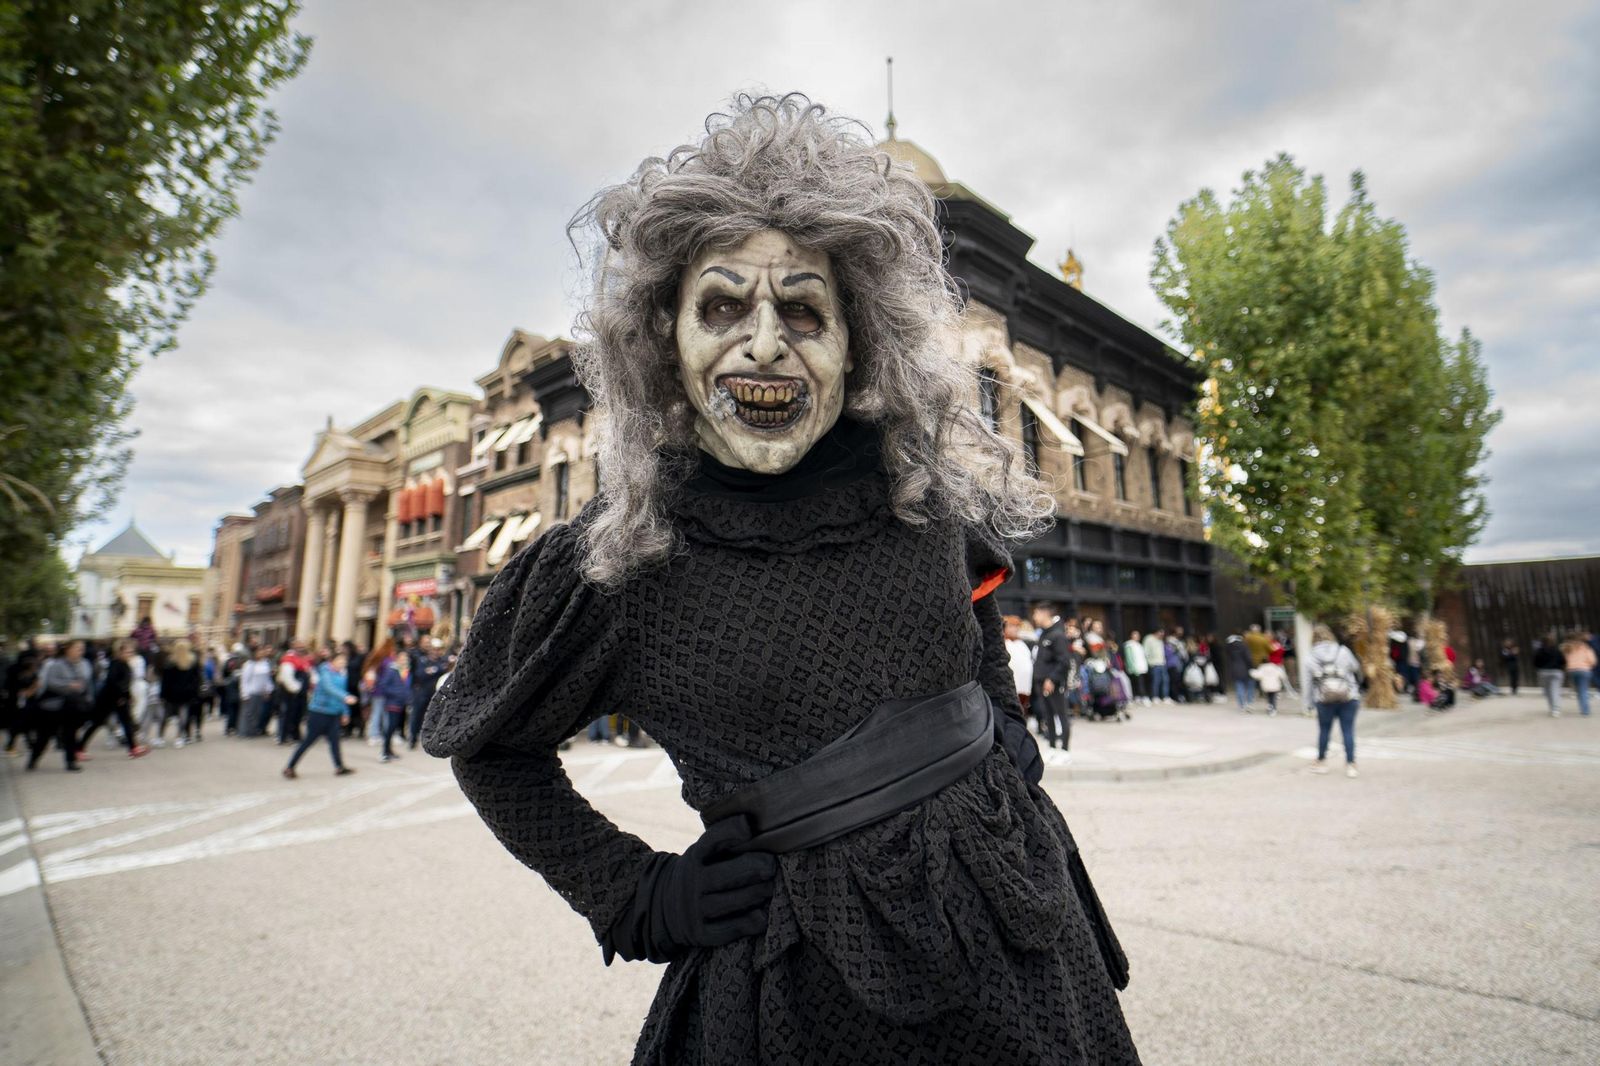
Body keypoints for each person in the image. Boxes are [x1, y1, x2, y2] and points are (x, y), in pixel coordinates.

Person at [421, 94, 1137, 1065]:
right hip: (799, 1001)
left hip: (1032, 955)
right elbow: (491, 751)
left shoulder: (918, 494)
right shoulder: (621, 559)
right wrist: (637, 894)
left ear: (856, 338)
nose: (764, 342)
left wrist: (1001, 734)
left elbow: (973, 621)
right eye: (722, 307)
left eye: (803, 310)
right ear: (664, 338)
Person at [283, 651, 357, 778]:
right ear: (332, 661)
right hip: (319, 712)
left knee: (335, 741)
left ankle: (339, 767)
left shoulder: (342, 674)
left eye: (344, 662)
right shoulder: (325, 672)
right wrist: (346, 697)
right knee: (308, 741)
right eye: (340, 661)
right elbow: (329, 688)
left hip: (334, 713)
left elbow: (342, 691)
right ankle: (290, 767)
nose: (343, 664)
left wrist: (345, 712)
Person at [1307, 624, 1363, 778]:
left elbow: (1308, 683)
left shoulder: (1310, 656)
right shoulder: (1343, 651)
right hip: (1348, 696)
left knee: (1324, 730)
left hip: (1324, 699)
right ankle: (1351, 765)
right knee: (1348, 731)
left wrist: (1309, 705)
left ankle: (1321, 763)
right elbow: (1355, 667)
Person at [79, 639, 149, 757]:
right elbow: (113, 682)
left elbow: (126, 683)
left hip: (119, 698)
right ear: (120, 652)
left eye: (131, 652)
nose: (130, 654)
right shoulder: (116, 664)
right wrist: (121, 696)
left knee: (127, 722)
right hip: (109, 699)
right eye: (127, 652)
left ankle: (133, 747)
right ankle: (79, 747)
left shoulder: (124, 664)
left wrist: (128, 696)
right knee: (96, 723)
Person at [29, 640, 89, 771]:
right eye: (77, 648)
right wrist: (69, 685)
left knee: (71, 733)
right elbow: (51, 683)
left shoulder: (83, 664)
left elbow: (85, 683)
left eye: (82, 649)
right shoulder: (56, 664)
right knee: (44, 736)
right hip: (53, 706)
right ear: (68, 650)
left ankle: (70, 761)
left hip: (71, 706)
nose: (80, 651)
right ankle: (33, 758)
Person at [1030, 602, 1071, 751]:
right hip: (1041, 681)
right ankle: (1053, 748)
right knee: (1048, 716)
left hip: (1053, 683)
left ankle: (1065, 750)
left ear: (1044, 613)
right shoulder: (1044, 634)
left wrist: (1052, 679)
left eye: (1036, 613)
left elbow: (1064, 661)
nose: (1034, 617)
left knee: (1061, 715)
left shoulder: (1058, 635)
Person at [407, 638, 450, 750]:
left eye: (438, 649)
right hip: (422, 693)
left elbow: (445, 671)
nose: (436, 651)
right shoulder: (423, 660)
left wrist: (433, 670)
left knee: (433, 717)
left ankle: (429, 739)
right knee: (416, 716)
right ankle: (413, 738)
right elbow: (420, 674)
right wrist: (437, 669)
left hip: (435, 694)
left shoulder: (442, 661)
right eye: (434, 649)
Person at [159, 640, 203, 747]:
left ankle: (160, 737)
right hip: (187, 693)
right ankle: (179, 737)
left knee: (166, 715)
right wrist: (195, 692)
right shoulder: (192, 662)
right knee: (183, 715)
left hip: (171, 693)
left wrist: (163, 694)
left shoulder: (170, 662)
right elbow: (197, 679)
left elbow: (165, 680)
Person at [374, 651, 411, 763]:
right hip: (392, 703)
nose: (404, 661)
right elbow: (383, 685)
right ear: (397, 659)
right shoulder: (391, 671)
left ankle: (389, 750)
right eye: (402, 659)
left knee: (394, 727)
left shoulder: (406, 671)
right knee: (390, 727)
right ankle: (384, 752)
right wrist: (396, 693)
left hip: (401, 703)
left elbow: (407, 687)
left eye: (406, 659)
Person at [275, 640, 312, 744]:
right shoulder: (288, 658)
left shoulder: (303, 658)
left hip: (301, 692)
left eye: (302, 646)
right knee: (288, 714)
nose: (301, 648)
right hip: (291, 692)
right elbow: (286, 677)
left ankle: (295, 734)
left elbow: (309, 672)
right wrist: (295, 688)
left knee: (298, 714)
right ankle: (284, 736)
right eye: (299, 646)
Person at [240, 645, 276, 736]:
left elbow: (267, 679)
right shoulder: (249, 664)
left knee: (258, 713)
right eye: (259, 651)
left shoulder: (265, 664)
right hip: (251, 692)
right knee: (249, 713)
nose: (261, 653)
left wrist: (268, 690)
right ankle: (246, 731)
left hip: (261, 692)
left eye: (262, 651)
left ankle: (254, 730)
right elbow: (245, 680)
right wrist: (244, 694)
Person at [1002, 615, 1032, 719]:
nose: (1015, 629)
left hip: (1024, 687)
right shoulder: (1004, 643)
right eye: (1011, 626)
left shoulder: (1021, 643)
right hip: (1010, 687)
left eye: (1016, 626)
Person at [1561, 631, 1596, 717]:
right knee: (1583, 689)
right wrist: (1589, 666)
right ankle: (1585, 711)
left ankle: (1582, 708)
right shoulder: (1585, 647)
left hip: (1572, 670)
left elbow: (1564, 660)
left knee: (1579, 690)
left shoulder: (1567, 648)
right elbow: (1592, 660)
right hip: (1584, 670)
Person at [1533, 633, 1566, 716]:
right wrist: (1561, 668)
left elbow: (1535, 662)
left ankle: (1551, 708)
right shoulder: (1557, 650)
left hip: (1543, 672)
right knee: (1555, 690)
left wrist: (1539, 668)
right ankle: (1556, 709)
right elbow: (1563, 661)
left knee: (1547, 691)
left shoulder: (1539, 651)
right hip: (1556, 671)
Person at [1225, 633, 1253, 710]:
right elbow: (1248, 659)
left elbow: (1229, 661)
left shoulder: (1229, 648)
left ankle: (1241, 705)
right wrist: (1251, 667)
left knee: (1239, 687)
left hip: (1235, 669)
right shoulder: (1244, 646)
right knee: (1249, 686)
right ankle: (1249, 702)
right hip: (1245, 669)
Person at [1121, 629, 1149, 705]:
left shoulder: (1138, 645)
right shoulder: (1129, 645)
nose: (1137, 636)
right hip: (1135, 668)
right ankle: (1142, 696)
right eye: (1135, 635)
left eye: (1138, 635)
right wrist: (1133, 668)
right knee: (1139, 683)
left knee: (1139, 683)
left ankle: (1138, 696)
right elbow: (1129, 658)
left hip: (1141, 667)